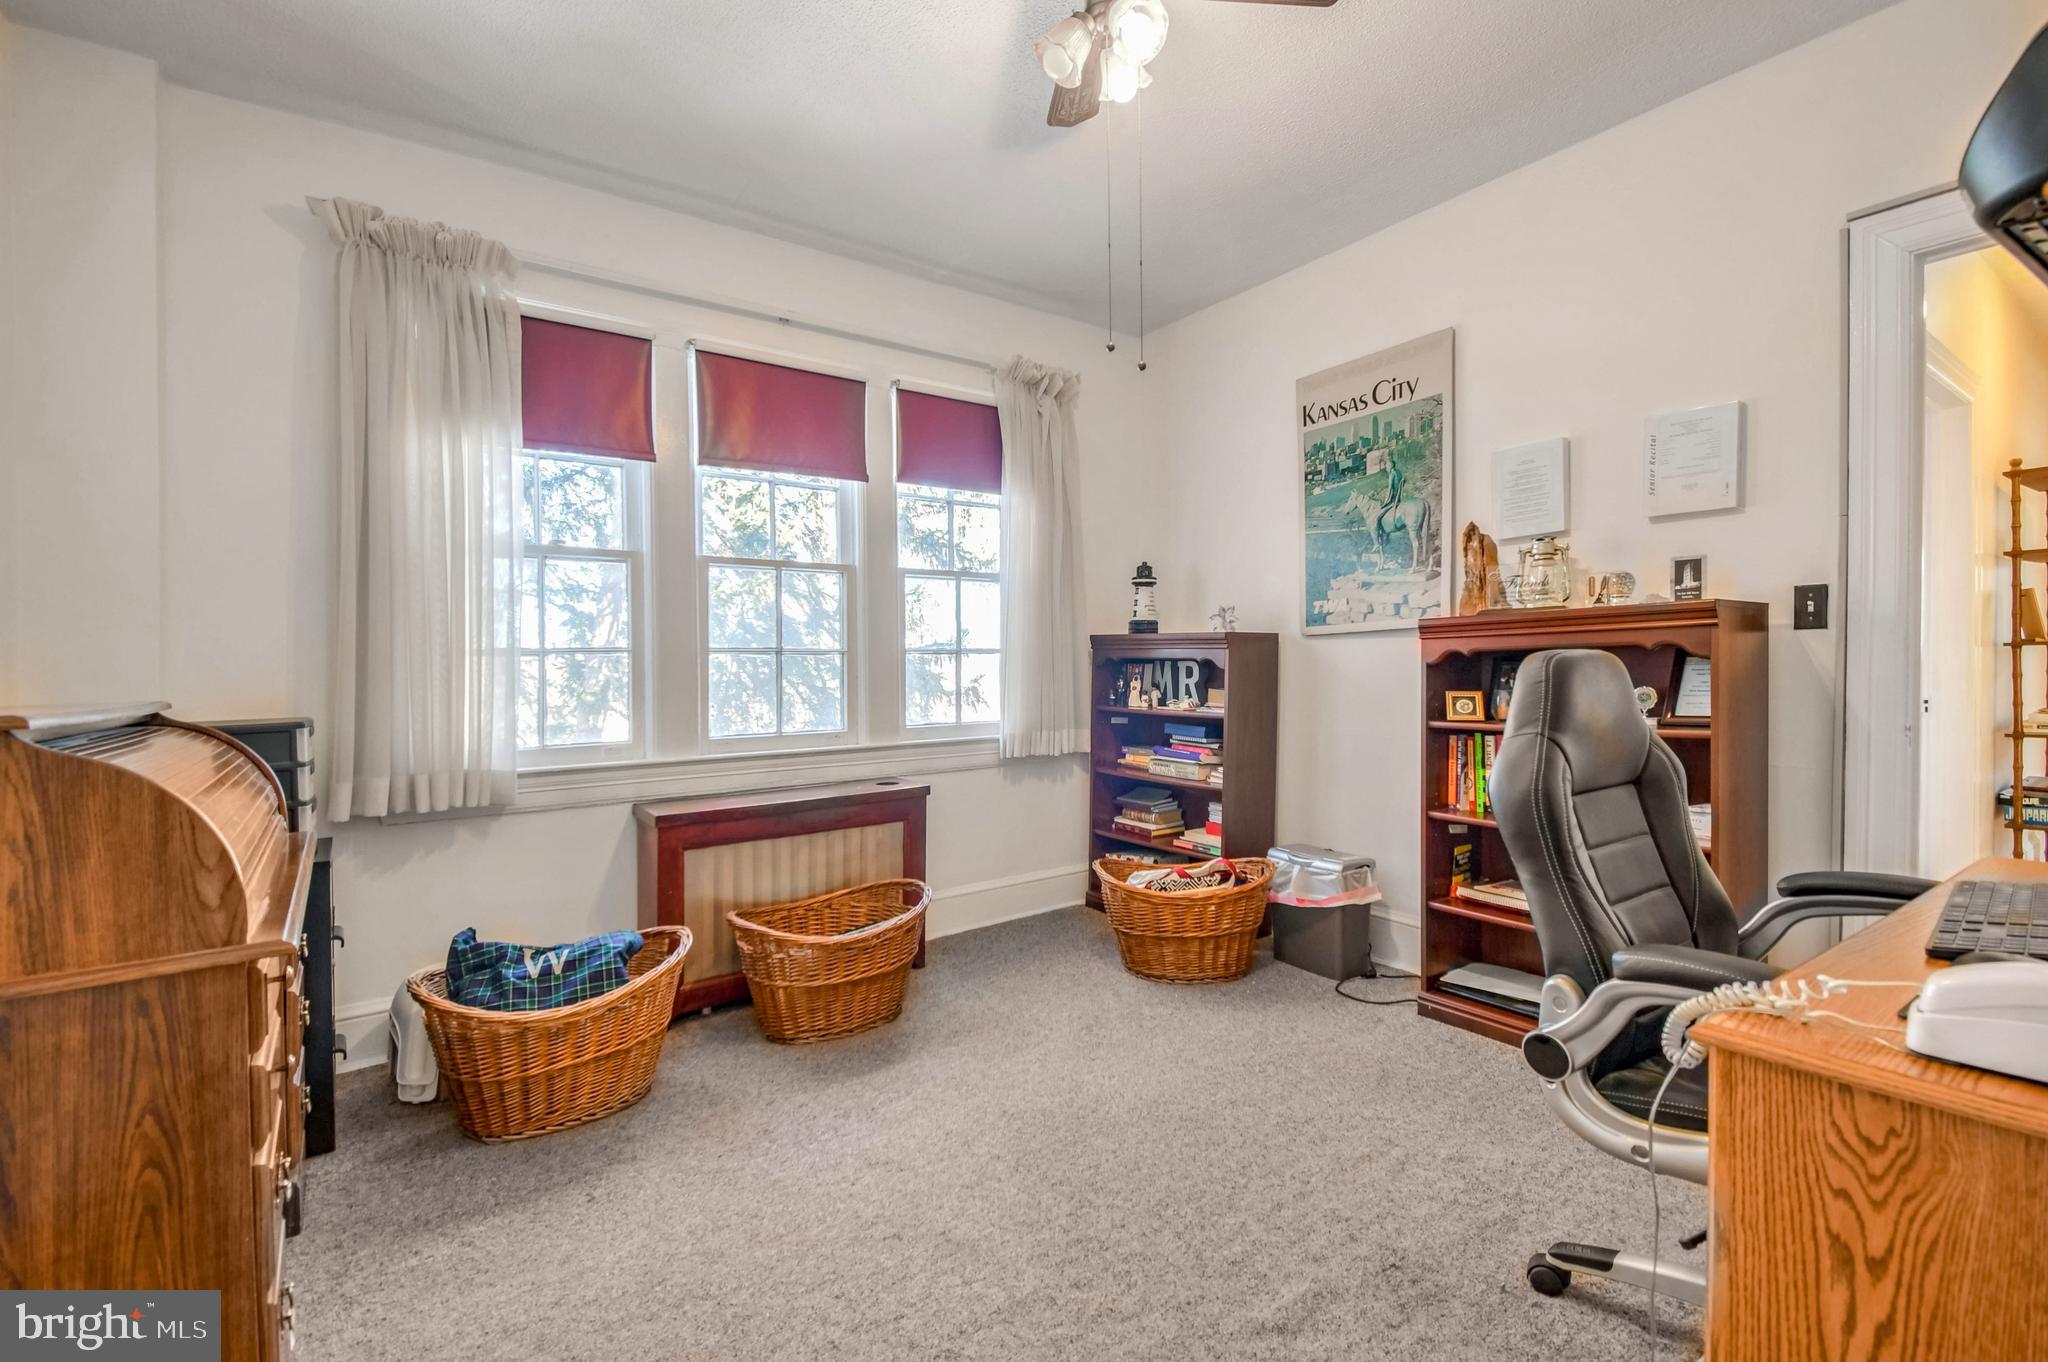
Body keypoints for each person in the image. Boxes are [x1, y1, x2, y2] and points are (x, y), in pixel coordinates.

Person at [1373, 456, 1406, 546]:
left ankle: (1381, 539)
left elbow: (1390, 490)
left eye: (1387, 466)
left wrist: (1385, 502)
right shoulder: (1399, 472)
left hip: (1393, 500)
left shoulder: (1392, 474)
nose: (1386, 468)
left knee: (1377, 517)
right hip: (1399, 498)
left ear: (1390, 466)